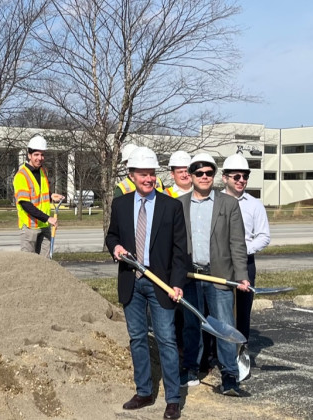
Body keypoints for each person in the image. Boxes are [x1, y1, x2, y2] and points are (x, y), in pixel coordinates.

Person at [105, 146, 187, 420]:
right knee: (137, 338)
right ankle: (144, 392)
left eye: (152, 174)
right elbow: (111, 235)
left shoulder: (171, 206)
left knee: (166, 339)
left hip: (160, 283)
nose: (149, 179)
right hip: (132, 282)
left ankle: (173, 399)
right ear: (132, 175)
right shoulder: (120, 204)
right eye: (143, 174)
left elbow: (179, 251)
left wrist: (176, 283)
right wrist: (115, 247)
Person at [177, 153, 250, 396]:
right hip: (190, 277)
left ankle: (230, 375)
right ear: (191, 175)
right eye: (200, 173)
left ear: (214, 175)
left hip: (218, 276)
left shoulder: (228, 204)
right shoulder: (180, 204)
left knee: (224, 327)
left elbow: (237, 243)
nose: (205, 176)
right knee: (191, 325)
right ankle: (190, 368)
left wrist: (241, 276)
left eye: (209, 173)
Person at [221, 154, 270, 342]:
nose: (242, 180)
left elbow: (264, 236)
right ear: (225, 178)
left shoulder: (255, 205)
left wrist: (243, 250)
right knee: (219, 309)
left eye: (245, 176)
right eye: (237, 176)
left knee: (242, 311)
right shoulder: (215, 201)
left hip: (245, 262)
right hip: (220, 263)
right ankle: (215, 353)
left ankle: (241, 349)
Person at [13, 135, 64, 257]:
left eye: (42, 155)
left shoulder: (43, 171)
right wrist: (48, 218)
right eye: (36, 154)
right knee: (28, 264)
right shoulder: (21, 176)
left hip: (45, 226)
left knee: (45, 264)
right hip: (30, 227)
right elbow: (25, 204)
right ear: (29, 155)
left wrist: (51, 196)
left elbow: (39, 192)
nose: (39, 158)